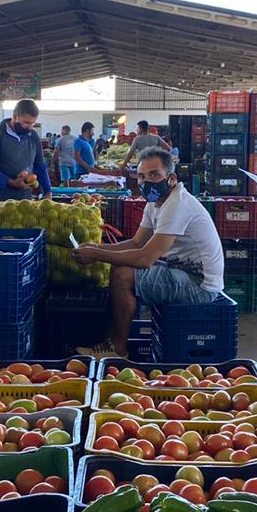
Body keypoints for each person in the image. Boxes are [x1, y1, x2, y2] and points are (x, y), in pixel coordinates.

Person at [74, 147, 223, 356]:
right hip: (182, 271)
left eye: (154, 175)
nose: (146, 182)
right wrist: (97, 247)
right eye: (142, 176)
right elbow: (136, 243)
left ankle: (117, 348)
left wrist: (97, 255)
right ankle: (111, 339)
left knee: (123, 276)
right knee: (120, 265)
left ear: (171, 178)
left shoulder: (176, 204)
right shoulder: (155, 203)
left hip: (200, 285)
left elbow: (145, 258)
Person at [0, 99, 52, 201]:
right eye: (26, 122)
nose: (30, 127)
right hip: (0, 201)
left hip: (26, 200)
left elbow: (40, 166)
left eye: (33, 123)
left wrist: (47, 191)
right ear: (14, 117)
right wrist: (11, 182)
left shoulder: (33, 136)